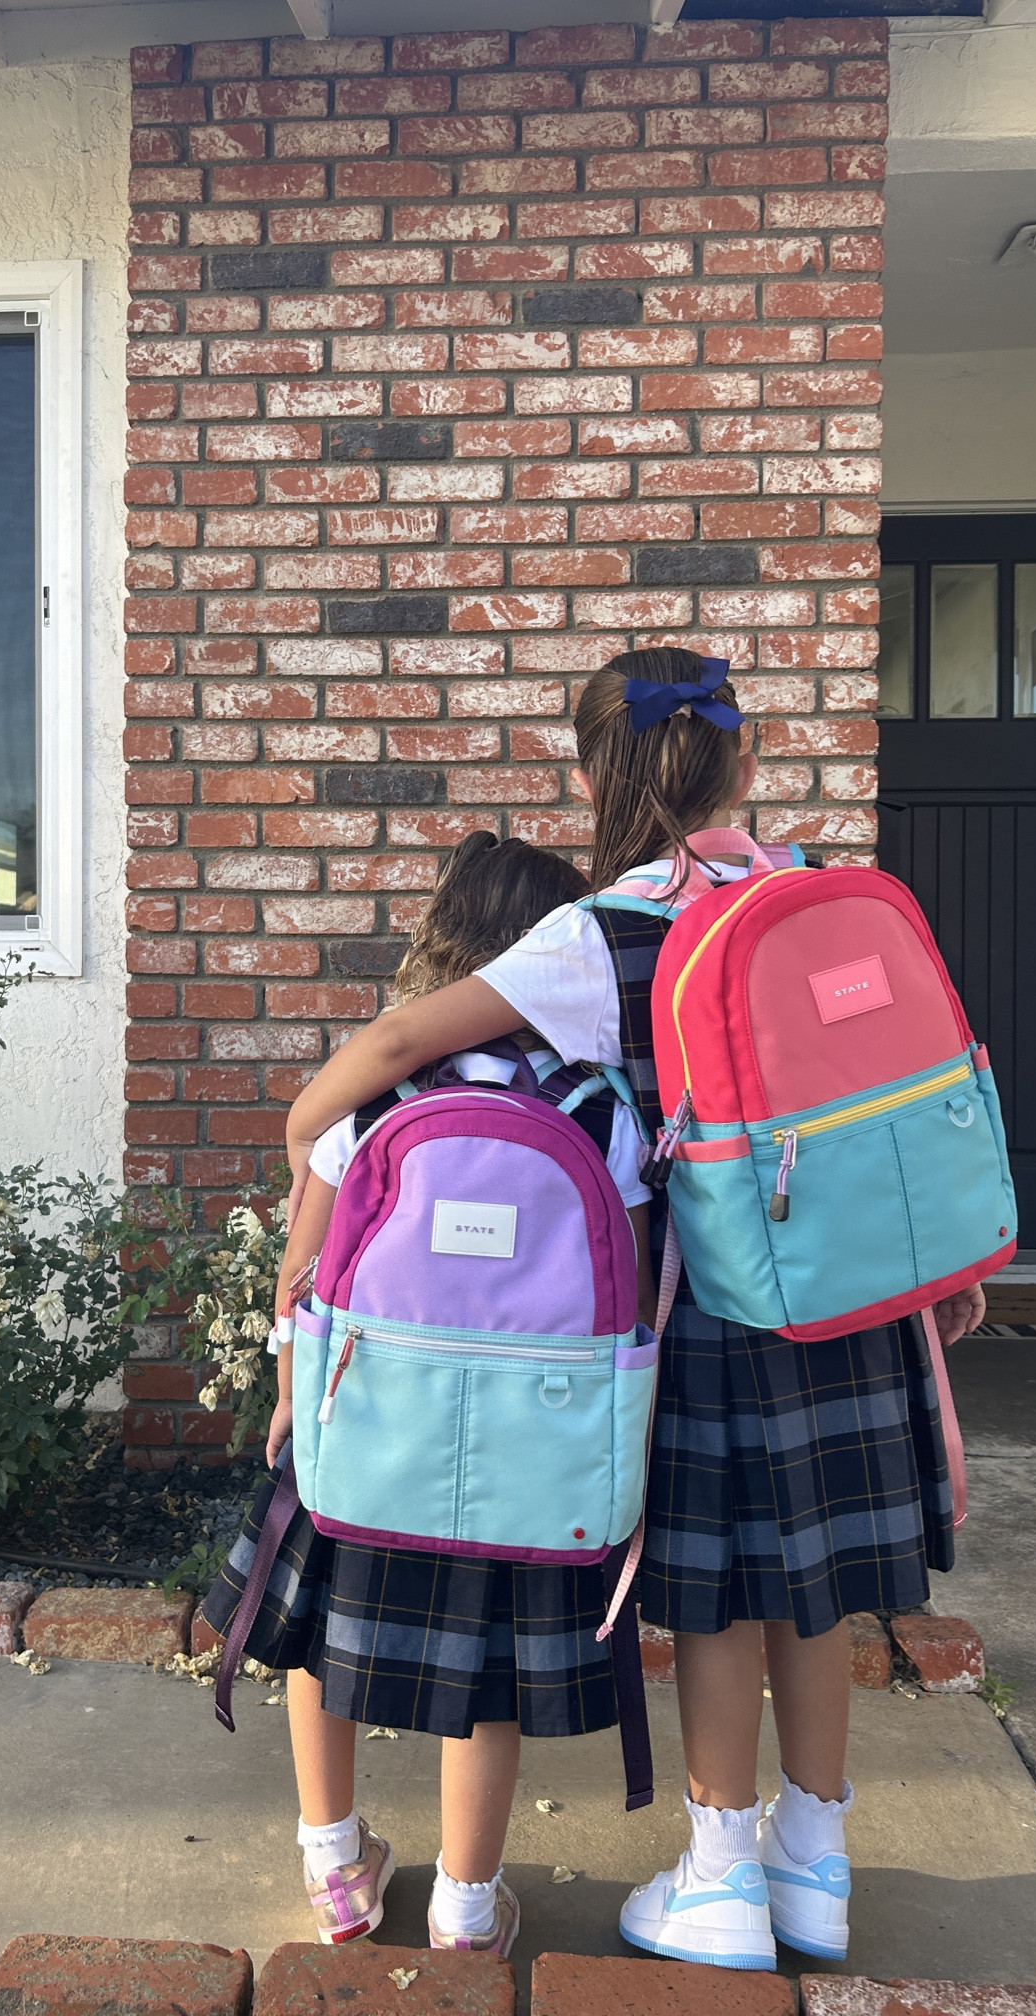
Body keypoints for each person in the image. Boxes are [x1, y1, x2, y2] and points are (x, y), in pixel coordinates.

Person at [281, 646, 986, 1971]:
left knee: (717, 1590)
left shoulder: (595, 934)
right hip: (856, 1296)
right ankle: (811, 1865)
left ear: (590, 771)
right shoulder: (815, 897)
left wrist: (303, 1123)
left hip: (714, 1305)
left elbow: (396, 1047)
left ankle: (718, 1873)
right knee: (814, 1585)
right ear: (747, 764)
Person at [201, 831, 658, 1959]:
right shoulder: (603, 1108)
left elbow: (302, 1274)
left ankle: (335, 1865)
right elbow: (633, 1299)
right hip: (530, 1446)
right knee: (487, 1671)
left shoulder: (378, 1089)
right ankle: (464, 1900)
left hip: (370, 1422)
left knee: (320, 1645)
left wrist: (288, 1390)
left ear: (445, 939)